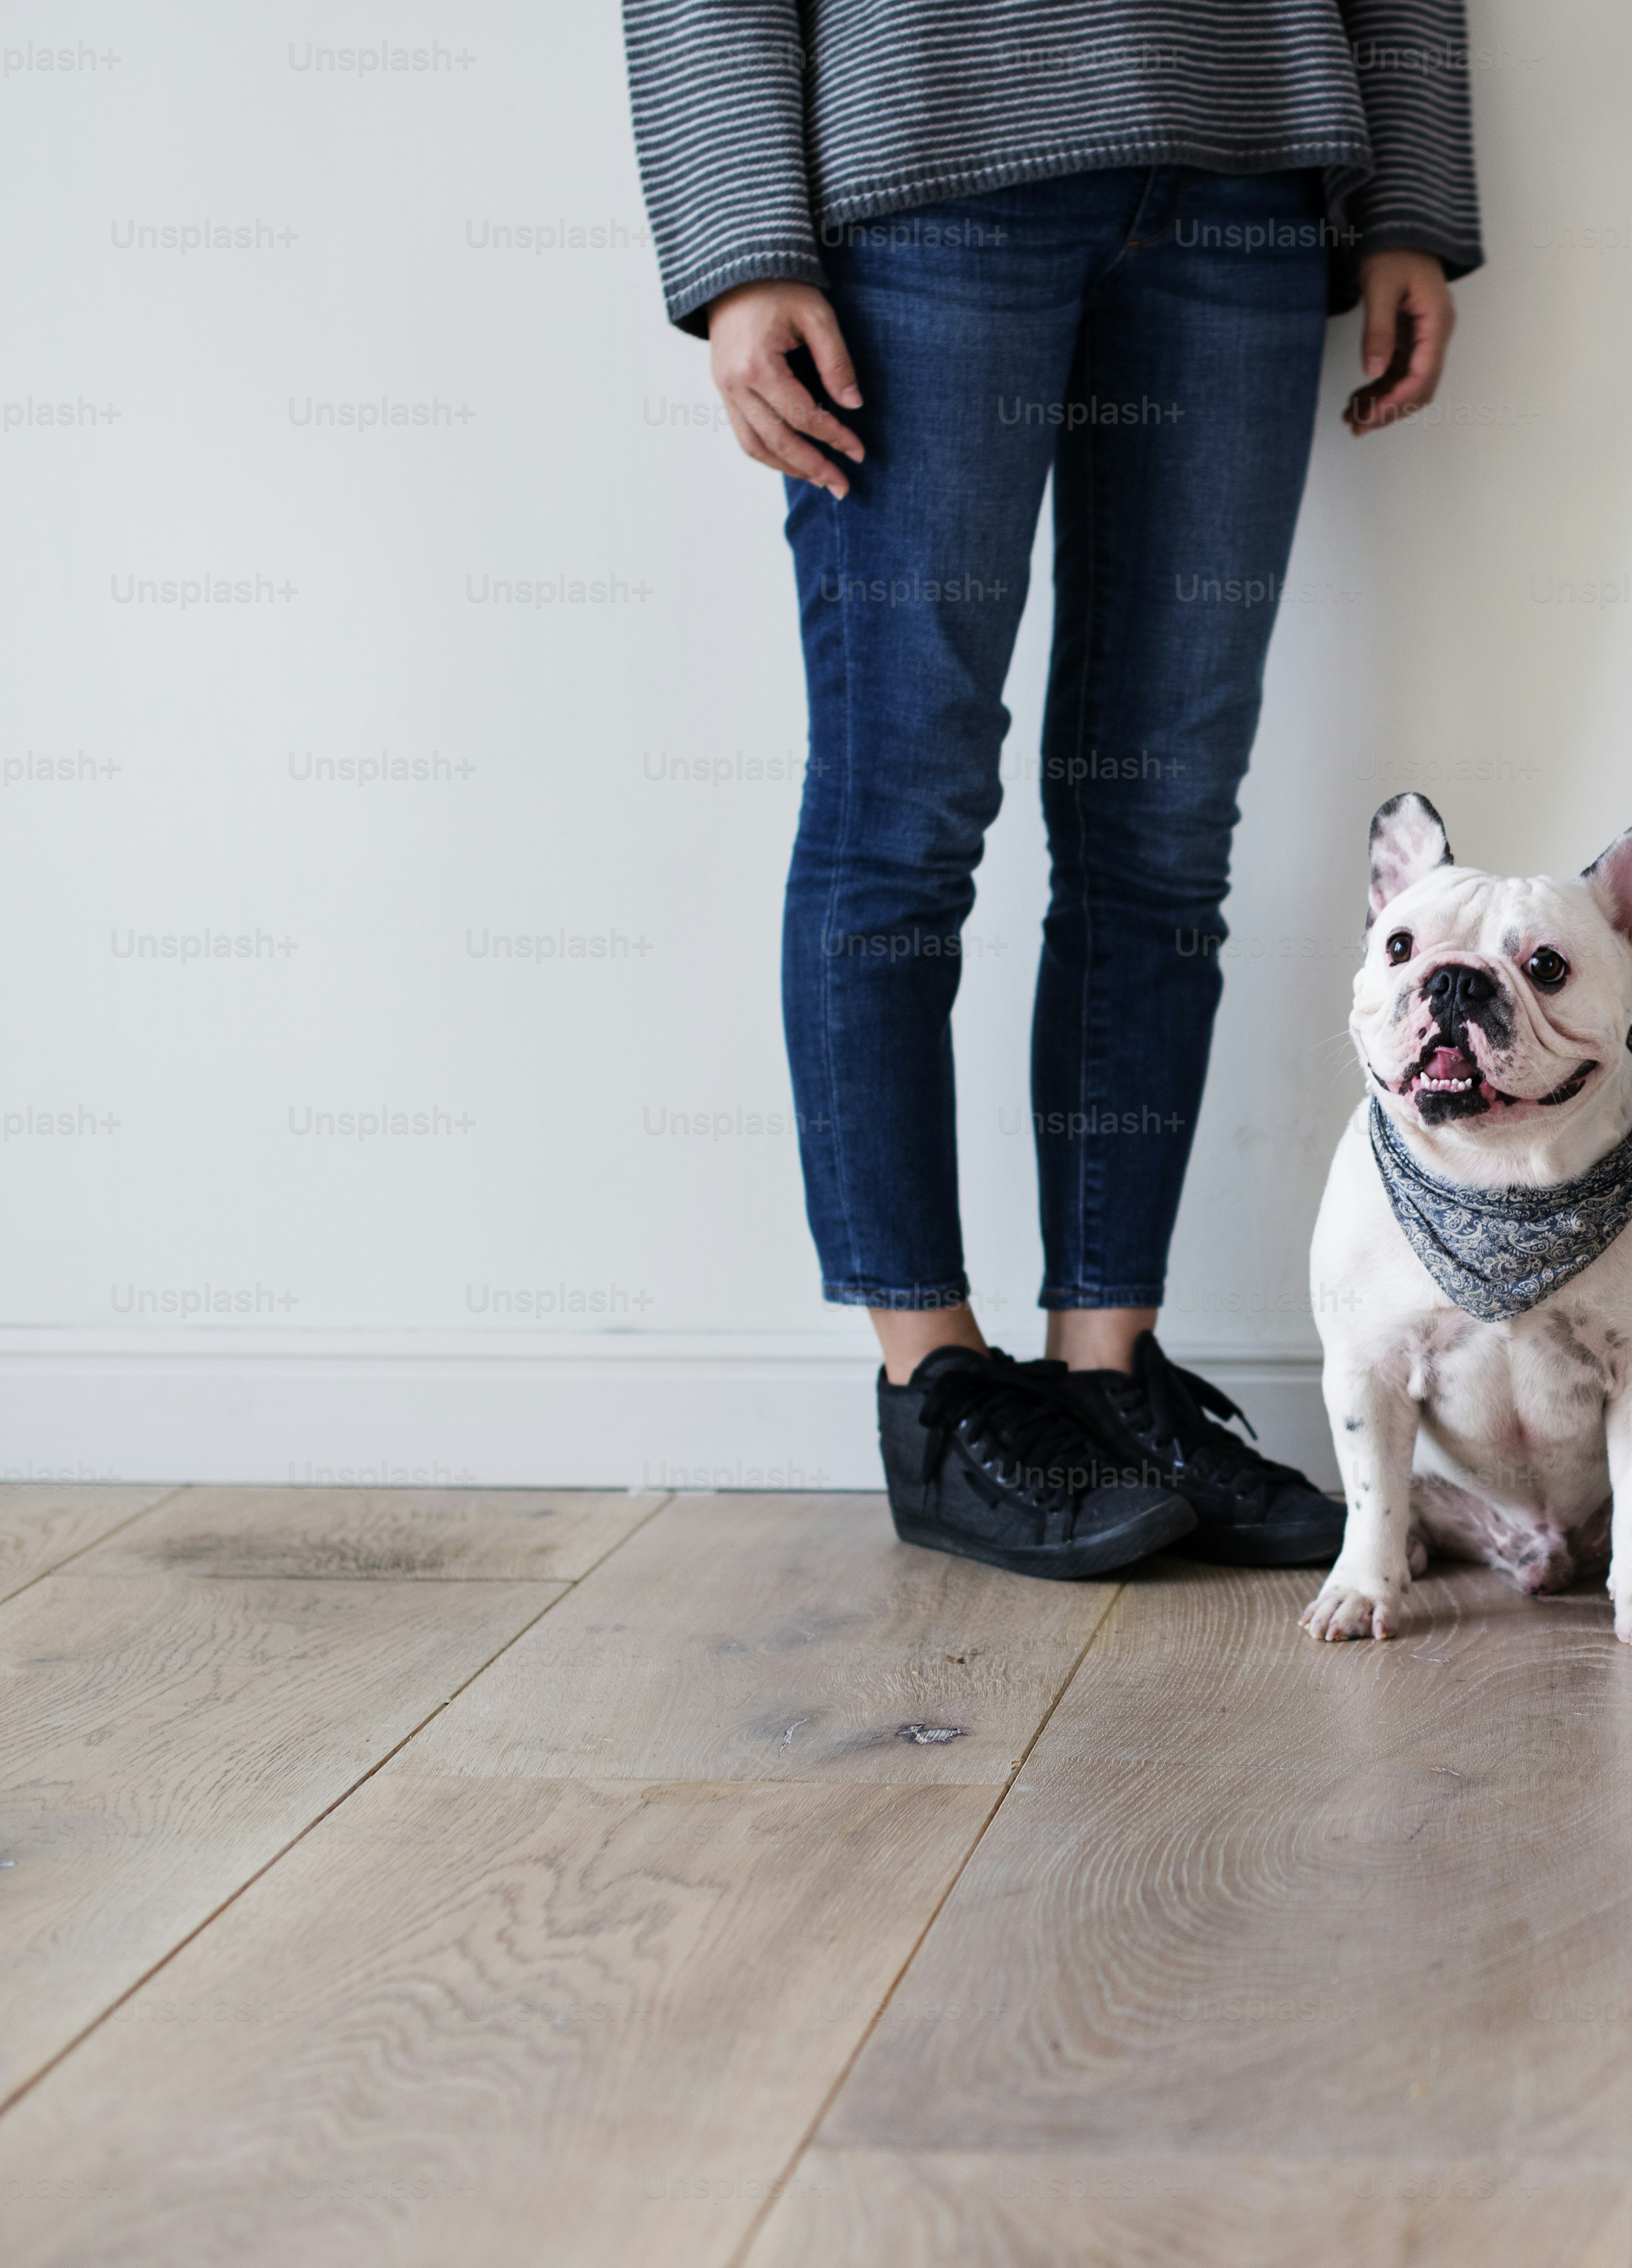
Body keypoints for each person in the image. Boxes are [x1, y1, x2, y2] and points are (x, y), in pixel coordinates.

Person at [621, 2, 1479, 1578]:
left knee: (1162, 820)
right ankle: (935, 1388)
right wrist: (742, 238)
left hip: (1247, 166)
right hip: (928, 161)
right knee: (904, 809)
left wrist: (1411, 191)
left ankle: (1105, 1371)